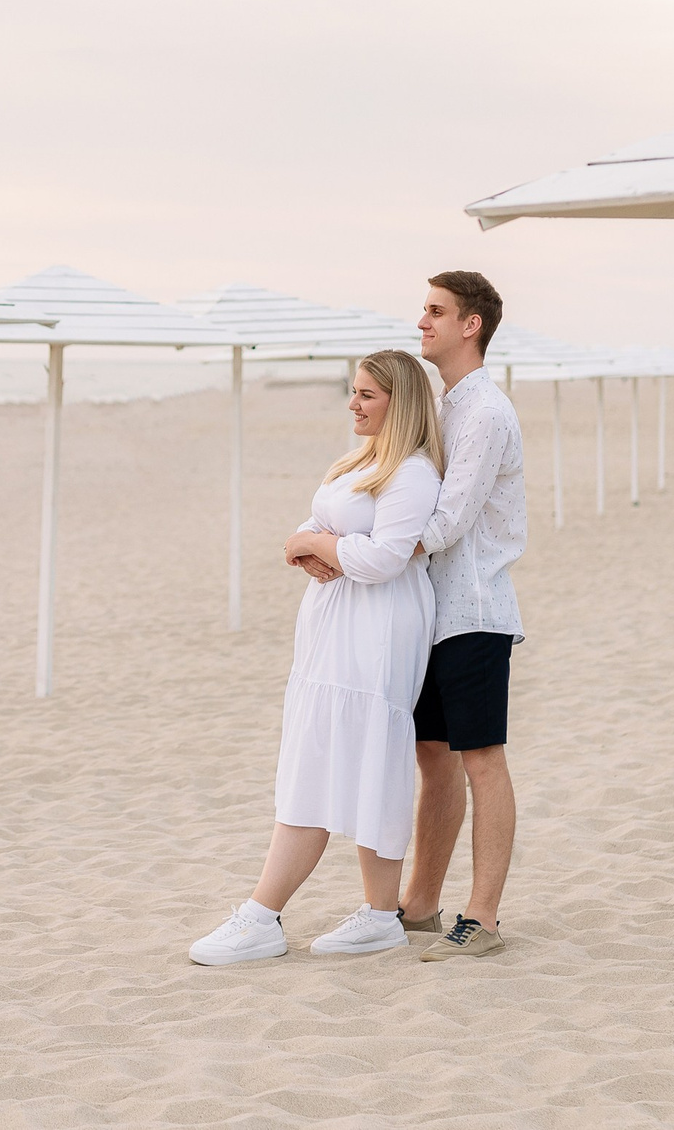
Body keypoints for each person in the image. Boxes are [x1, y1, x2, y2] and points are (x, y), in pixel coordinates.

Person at [188, 350, 443, 966]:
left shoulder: (411, 473)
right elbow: (321, 525)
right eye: (352, 392)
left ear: (399, 403)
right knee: (333, 754)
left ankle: (262, 915)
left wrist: (319, 543)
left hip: (377, 631)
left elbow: (385, 559)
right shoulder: (361, 459)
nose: (353, 404)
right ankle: (382, 914)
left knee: (339, 758)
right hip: (334, 626)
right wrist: (314, 546)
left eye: (367, 396)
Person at [399, 270, 526, 961]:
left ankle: (482, 918)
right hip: (433, 611)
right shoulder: (446, 407)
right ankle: (419, 904)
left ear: (470, 325)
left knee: (481, 759)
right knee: (431, 758)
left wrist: (358, 551)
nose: (422, 322)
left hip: (475, 611)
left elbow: (446, 523)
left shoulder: (485, 412)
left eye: (435, 311)